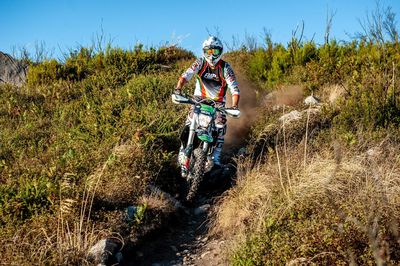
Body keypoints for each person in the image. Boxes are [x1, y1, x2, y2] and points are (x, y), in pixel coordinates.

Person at [174, 35, 240, 171]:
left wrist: (234, 106)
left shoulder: (225, 68)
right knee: (190, 119)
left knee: (220, 126)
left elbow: (234, 89)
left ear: (220, 51)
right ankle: (183, 149)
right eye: (209, 51)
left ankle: (215, 157)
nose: (211, 55)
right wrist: (178, 89)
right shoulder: (200, 62)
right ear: (204, 51)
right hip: (199, 99)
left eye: (215, 51)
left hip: (218, 103)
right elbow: (186, 76)